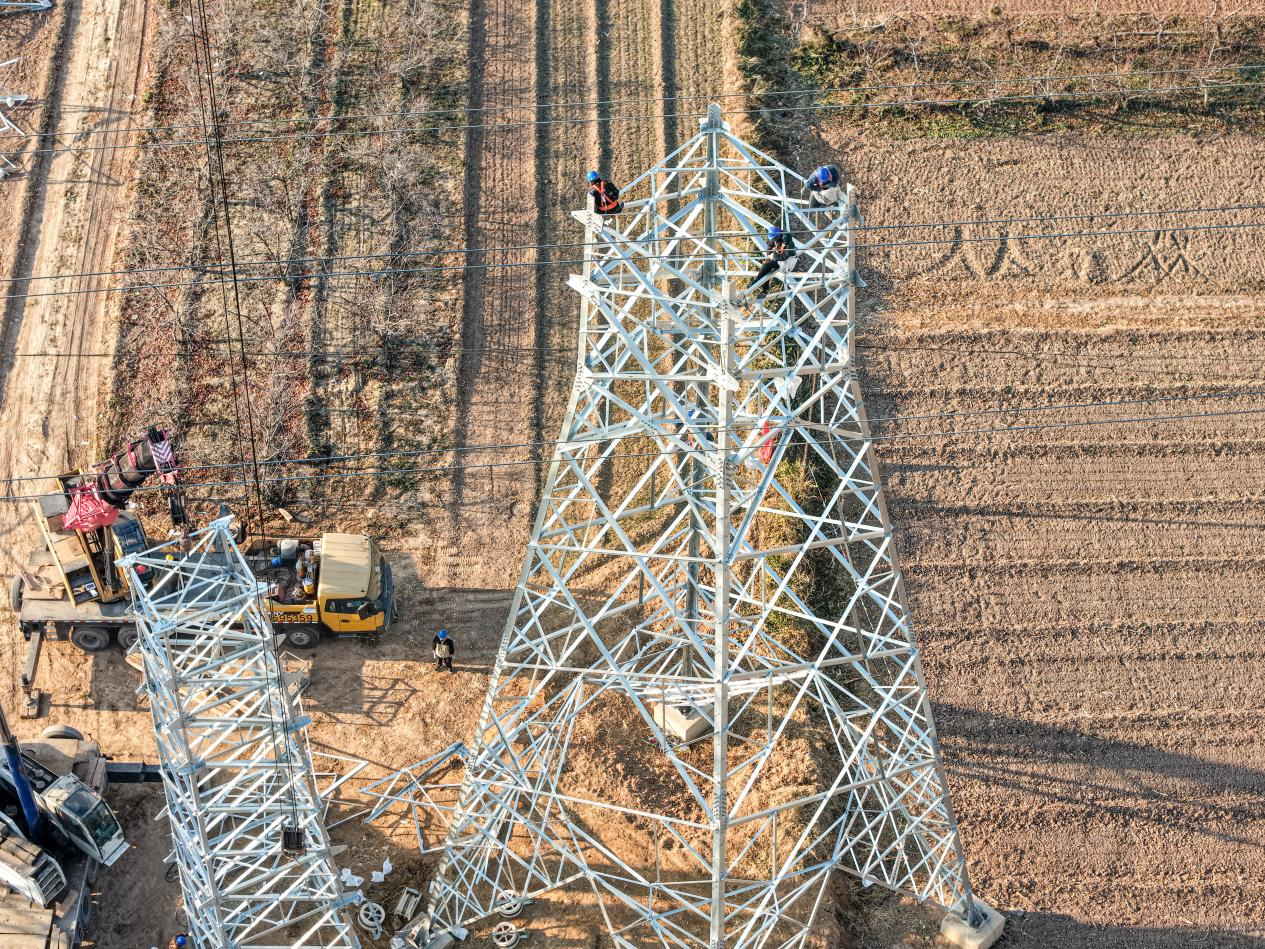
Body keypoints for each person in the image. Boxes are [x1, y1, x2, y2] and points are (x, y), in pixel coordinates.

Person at [749, 226, 798, 297]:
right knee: (765, 266)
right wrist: (769, 253)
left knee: (767, 267)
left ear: (778, 236)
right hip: (778, 257)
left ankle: (763, 289)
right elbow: (769, 246)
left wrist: (774, 256)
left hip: (786, 261)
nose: (773, 240)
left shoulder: (788, 242)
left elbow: (785, 257)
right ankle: (759, 284)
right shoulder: (775, 238)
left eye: (774, 238)